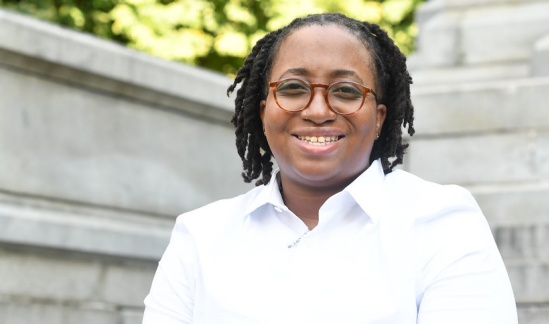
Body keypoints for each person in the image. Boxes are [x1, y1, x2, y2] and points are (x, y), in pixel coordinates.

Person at [143, 13, 517, 324]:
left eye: (346, 91)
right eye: (292, 88)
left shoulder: (441, 223)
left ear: (378, 120)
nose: (318, 111)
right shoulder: (201, 236)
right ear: (263, 111)